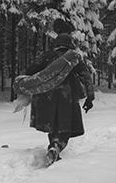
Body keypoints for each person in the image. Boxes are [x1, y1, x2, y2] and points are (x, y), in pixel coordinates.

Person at [25, 19, 94, 166]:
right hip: (67, 97)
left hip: (46, 97)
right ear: (70, 44)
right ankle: (56, 147)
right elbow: (86, 76)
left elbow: (29, 71)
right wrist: (90, 97)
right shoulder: (74, 57)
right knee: (65, 127)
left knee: (53, 125)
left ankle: (53, 145)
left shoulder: (46, 56)